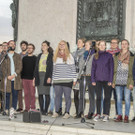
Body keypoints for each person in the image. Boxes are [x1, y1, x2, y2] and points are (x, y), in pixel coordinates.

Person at [52, 40, 77, 119]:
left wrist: (74, 79)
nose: (62, 45)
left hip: (67, 80)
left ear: (66, 46)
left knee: (67, 97)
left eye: (63, 44)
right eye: (60, 44)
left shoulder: (69, 56)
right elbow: (54, 69)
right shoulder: (55, 56)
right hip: (57, 80)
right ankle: (56, 111)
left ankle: (67, 112)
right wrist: (53, 79)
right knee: (57, 96)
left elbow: (73, 68)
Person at [91, 40, 114, 122]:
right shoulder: (95, 56)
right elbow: (93, 69)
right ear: (98, 46)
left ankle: (106, 114)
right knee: (98, 97)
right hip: (97, 80)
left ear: (105, 46)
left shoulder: (109, 56)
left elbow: (111, 69)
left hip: (107, 80)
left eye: (103, 45)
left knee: (107, 97)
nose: (102, 46)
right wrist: (93, 79)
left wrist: (110, 80)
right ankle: (98, 114)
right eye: (100, 45)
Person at [113, 39, 134, 123]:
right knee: (118, 99)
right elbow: (114, 69)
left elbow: (133, 70)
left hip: (127, 81)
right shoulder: (116, 56)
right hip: (118, 80)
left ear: (128, 45)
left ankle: (126, 116)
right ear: (121, 45)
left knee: (127, 99)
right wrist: (113, 81)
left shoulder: (132, 56)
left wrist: (132, 82)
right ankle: (120, 115)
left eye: (125, 44)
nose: (124, 45)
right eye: (123, 44)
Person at [1, 40, 22, 119]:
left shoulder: (17, 55)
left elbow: (20, 66)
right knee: (7, 94)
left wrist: (14, 74)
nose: (12, 45)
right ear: (8, 45)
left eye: (14, 44)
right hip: (7, 79)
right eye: (11, 44)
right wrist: (7, 76)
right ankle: (6, 109)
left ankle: (13, 109)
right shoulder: (4, 56)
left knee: (15, 94)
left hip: (15, 79)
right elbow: (2, 68)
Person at [77, 40, 95, 119]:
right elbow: (80, 66)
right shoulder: (83, 55)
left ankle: (91, 111)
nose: (85, 47)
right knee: (81, 94)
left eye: (87, 45)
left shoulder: (94, 55)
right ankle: (80, 111)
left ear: (91, 46)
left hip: (90, 76)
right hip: (82, 75)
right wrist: (78, 76)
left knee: (91, 95)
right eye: (85, 45)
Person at [34, 40, 53, 115]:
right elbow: (36, 67)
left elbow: (51, 67)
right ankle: (42, 110)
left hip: (46, 75)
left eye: (44, 45)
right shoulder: (39, 55)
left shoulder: (51, 55)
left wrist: (50, 77)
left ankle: (46, 110)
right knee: (40, 94)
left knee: (47, 94)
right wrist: (35, 77)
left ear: (48, 46)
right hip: (39, 75)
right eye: (42, 45)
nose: (43, 47)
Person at [107, 38, 120, 119]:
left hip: (117, 78)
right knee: (107, 97)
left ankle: (117, 114)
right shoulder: (107, 53)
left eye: (115, 43)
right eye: (112, 43)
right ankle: (106, 114)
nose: (113, 44)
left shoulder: (120, 53)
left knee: (117, 97)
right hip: (108, 78)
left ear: (118, 44)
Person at [72, 38, 85, 117]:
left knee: (81, 95)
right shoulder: (74, 53)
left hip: (82, 75)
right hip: (75, 75)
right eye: (77, 42)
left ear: (83, 44)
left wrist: (79, 77)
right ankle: (77, 111)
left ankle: (81, 112)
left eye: (80, 42)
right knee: (75, 94)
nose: (78, 43)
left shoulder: (85, 52)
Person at [21, 43, 36, 111]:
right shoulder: (24, 58)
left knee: (32, 94)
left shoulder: (35, 58)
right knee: (26, 94)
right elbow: (22, 68)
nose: (29, 49)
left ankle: (32, 108)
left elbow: (36, 69)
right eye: (28, 48)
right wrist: (22, 78)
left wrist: (34, 78)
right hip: (24, 78)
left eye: (31, 48)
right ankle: (27, 108)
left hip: (32, 79)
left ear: (33, 49)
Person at [17, 40, 28, 112]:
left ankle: (27, 108)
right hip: (20, 76)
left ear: (26, 46)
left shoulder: (28, 55)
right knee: (19, 92)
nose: (23, 46)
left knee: (27, 92)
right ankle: (20, 107)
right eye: (22, 45)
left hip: (27, 76)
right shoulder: (18, 55)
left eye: (24, 45)